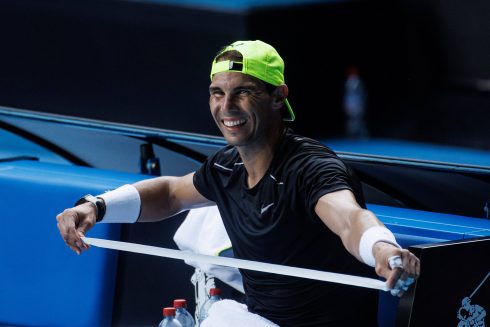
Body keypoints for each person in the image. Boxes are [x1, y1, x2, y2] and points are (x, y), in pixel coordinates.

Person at [56, 40, 420, 326]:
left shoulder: (310, 167)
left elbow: (349, 219)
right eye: (217, 92)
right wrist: (95, 207)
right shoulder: (227, 166)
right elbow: (169, 194)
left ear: (279, 97)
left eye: (243, 92)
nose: (227, 106)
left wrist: (384, 250)